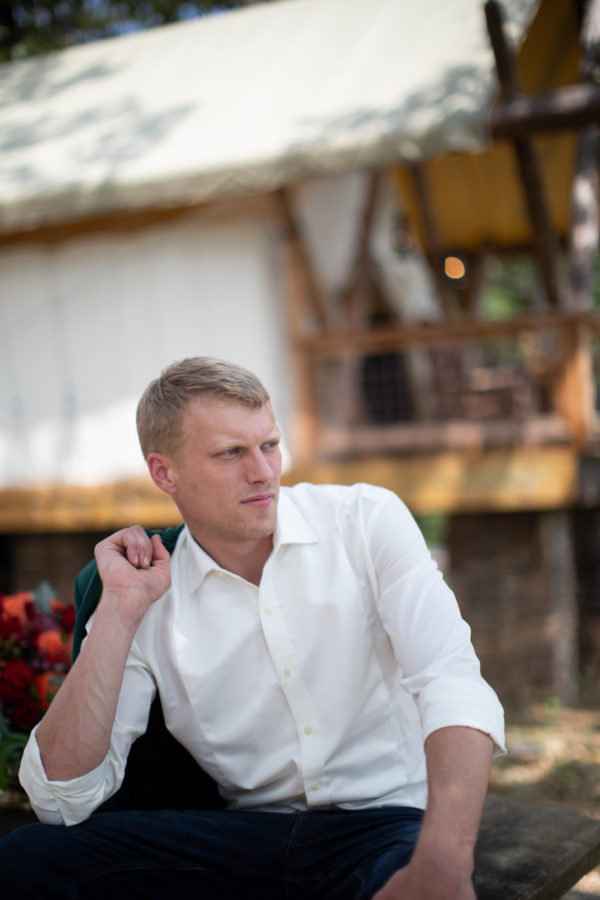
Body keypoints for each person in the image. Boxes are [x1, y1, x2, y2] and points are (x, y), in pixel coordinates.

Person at [0, 356, 505, 899]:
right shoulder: (145, 585)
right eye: (230, 454)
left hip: (389, 828)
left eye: (269, 445)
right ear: (165, 472)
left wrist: (444, 858)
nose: (263, 472)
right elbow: (60, 798)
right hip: (245, 841)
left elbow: (449, 679)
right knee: (25, 859)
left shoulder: (364, 521)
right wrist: (121, 609)